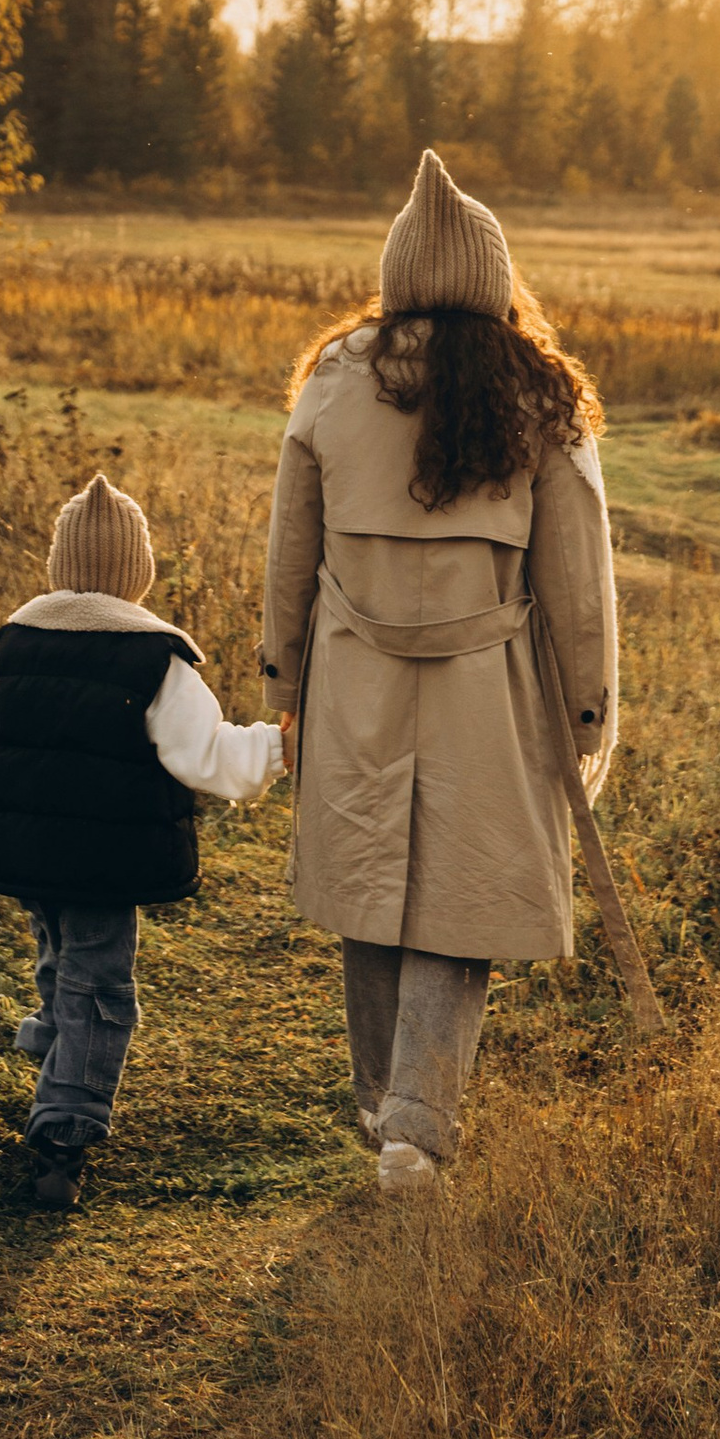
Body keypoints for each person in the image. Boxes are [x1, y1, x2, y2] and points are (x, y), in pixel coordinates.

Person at [262, 150, 619, 1196]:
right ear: (493, 279)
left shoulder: (333, 380)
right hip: (490, 682)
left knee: (374, 882)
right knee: (462, 894)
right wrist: (586, 714)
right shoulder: (541, 394)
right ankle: (416, 1121)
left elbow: (290, 548)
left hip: (352, 671)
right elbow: (579, 579)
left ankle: (386, 1106)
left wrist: (282, 687)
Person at [0, 469, 284, 1212]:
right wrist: (278, 748)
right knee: (101, 985)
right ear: (137, 576)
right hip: (108, 861)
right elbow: (204, 754)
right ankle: (63, 1134)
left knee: (60, 955)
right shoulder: (157, 660)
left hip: (29, 855)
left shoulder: (19, 649)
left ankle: (50, 1043)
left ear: (59, 567)